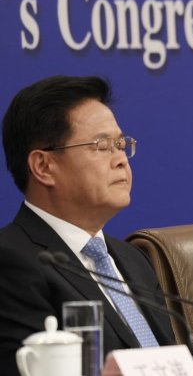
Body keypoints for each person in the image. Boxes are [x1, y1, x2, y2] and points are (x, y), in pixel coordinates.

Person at [0, 75, 175, 375]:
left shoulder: (135, 260)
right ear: (43, 166)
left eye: (121, 144)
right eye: (103, 145)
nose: (121, 159)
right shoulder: (11, 262)